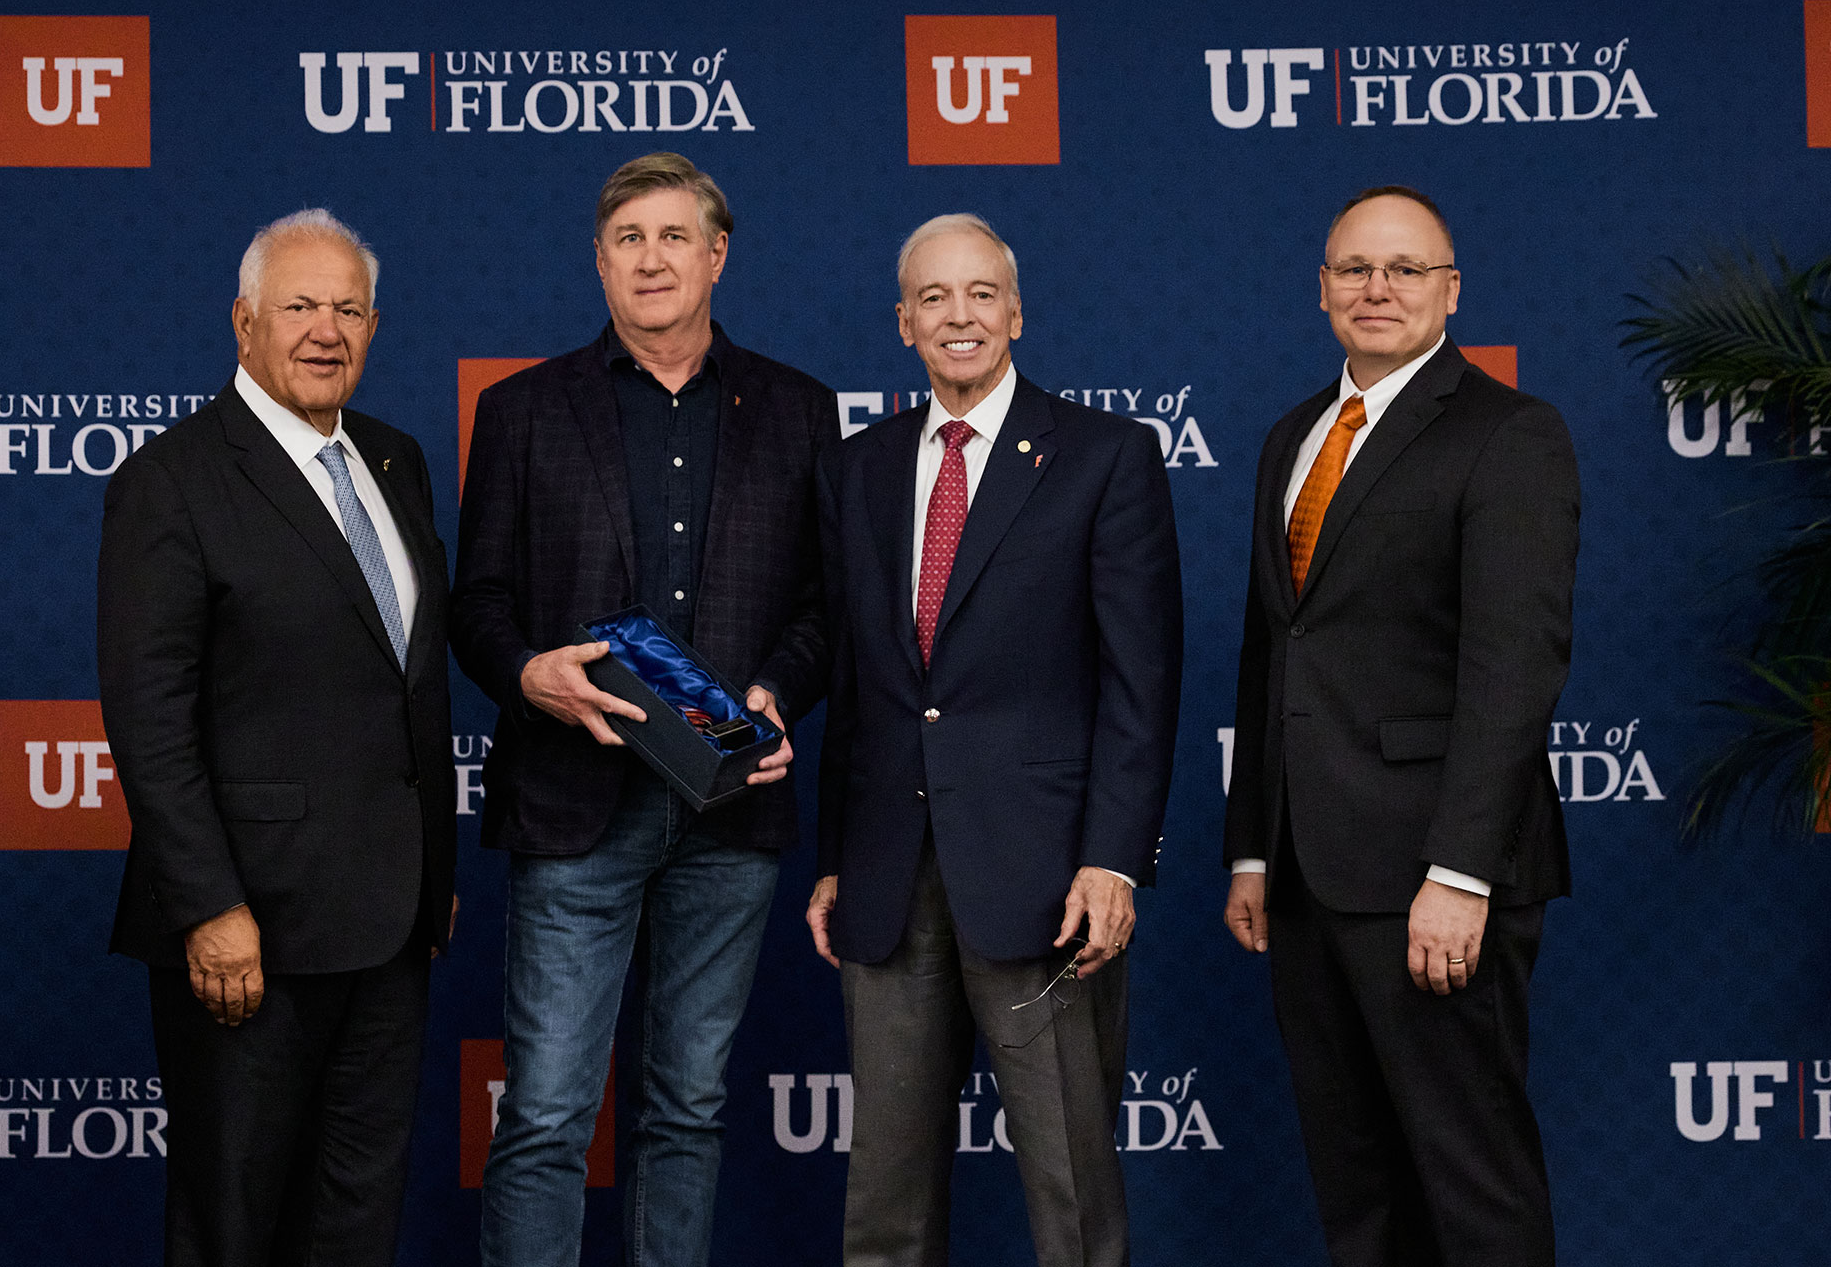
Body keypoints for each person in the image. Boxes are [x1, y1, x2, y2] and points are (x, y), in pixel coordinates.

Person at [451, 151, 839, 1267]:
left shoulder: (801, 410)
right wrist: (526, 672)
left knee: (685, 1110)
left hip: (729, 814)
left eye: (675, 236)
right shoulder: (520, 409)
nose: (651, 258)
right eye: (629, 239)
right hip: (574, 803)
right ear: (599, 260)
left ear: (717, 255)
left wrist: (776, 695)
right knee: (544, 1116)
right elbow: (477, 603)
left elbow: (823, 607)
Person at [809, 213, 1182, 1267]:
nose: (957, 316)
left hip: (1047, 880)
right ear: (903, 324)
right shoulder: (859, 470)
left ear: (1015, 313)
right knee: (883, 1207)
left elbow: (1139, 682)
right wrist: (837, 856)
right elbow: (858, 683)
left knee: (1069, 1197)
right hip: (888, 879)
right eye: (933, 298)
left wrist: (1111, 857)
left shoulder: (1105, 456)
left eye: (979, 294)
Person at [1222, 186, 1578, 1267]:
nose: (1375, 289)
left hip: (1433, 877)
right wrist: (1248, 848)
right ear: (1321, 286)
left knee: (1469, 1180)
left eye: (1404, 269)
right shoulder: (1294, 433)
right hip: (1304, 869)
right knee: (1356, 1180)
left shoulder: (1507, 433)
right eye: (1353, 269)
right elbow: (1267, 653)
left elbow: (1512, 670)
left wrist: (1459, 872)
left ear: (1449, 290)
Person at [99, 208, 457, 1266]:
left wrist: (430, 861)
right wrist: (209, 905)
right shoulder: (171, 481)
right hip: (247, 934)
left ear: (375, 325)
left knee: (355, 1217)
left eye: (348, 308)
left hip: (390, 927)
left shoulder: (396, 460)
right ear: (244, 322)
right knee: (233, 1224)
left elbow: (407, 683)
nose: (325, 329)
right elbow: (148, 719)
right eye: (299, 306)